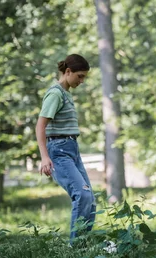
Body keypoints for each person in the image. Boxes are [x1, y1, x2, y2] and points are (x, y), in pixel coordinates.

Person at [35, 54, 96, 242]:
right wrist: (45, 157)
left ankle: (84, 248)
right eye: (80, 76)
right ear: (67, 72)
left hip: (71, 149)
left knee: (90, 199)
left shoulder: (65, 93)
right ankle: (76, 248)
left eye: (84, 77)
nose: (82, 81)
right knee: (82, 195)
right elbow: (40, 126)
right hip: (59, 150)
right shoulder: (55, 93)